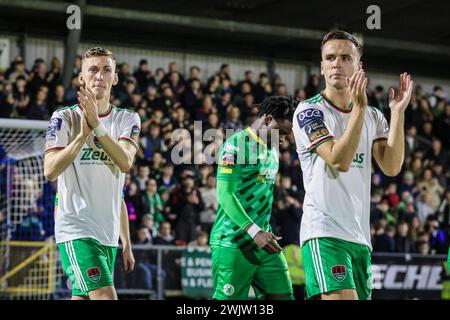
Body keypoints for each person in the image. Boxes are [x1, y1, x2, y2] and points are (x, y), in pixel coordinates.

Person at [292, 30, 413, 300]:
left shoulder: (374, 116)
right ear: (322, 67)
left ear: (359, 66)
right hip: (324, 232)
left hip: (360, 238)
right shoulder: (309, 111)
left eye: (345, 57)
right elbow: (338, 159)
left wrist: (397, 114)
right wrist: (358, 109)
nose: (337, 63)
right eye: (330, 58)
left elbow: (392, 167)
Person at [44, 47, 140, 300]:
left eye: (106, 70)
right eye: (93, 70)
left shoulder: (128, 119)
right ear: (82, 78)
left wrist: (126, 242)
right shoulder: (63, 118)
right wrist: (80, 137)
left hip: (107, 235)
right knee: (106, 297)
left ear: (115, 78)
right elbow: (50, 170)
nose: (99, 76)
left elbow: (125, 163)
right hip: (76, 228)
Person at [210, 95, 297, 300]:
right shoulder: (236, 145)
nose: (283, 139)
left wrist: (260, 232)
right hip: (233, 241)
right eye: (281, 132)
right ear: (267, 119)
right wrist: (254, 230)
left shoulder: (273, 148)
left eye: (287, 134)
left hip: (264, 243)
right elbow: (224, 194)